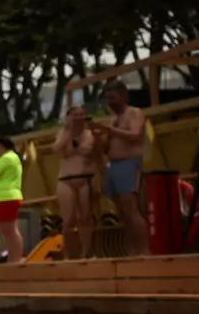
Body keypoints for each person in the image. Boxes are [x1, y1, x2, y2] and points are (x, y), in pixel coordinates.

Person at [92, 79, 148, 256]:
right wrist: (98, 137)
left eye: (113, 98)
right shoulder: (113, 119)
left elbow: (134, 135)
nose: (111, 102)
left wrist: (110, 130)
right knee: (122, 212)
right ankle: (131, 249)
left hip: (130, 163)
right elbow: (107, 149)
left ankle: (143, 249)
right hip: (113, 165)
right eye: (108, 99)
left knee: (130, 207)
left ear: (123, 96)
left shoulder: (134, 113)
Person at [53, 105, 97, 259]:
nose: (78, 118)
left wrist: (71, 150)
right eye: (75, 115)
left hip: (85, 178)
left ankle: (86, 252)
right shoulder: (62, 133)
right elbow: (57, 149)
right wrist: (70, 133)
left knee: (85, 217)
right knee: (68, 219)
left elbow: (87, 151)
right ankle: (69, 253)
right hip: (66, 179)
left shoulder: (89, 134)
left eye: (81, 115)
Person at [0, 133, 25, 264]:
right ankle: (13, 258)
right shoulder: (11, 157)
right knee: (7, 230)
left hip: (7, 197)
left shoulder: (7, 157)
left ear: (1, 145)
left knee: (11, 230)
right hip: (3, 198)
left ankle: (16, 259)